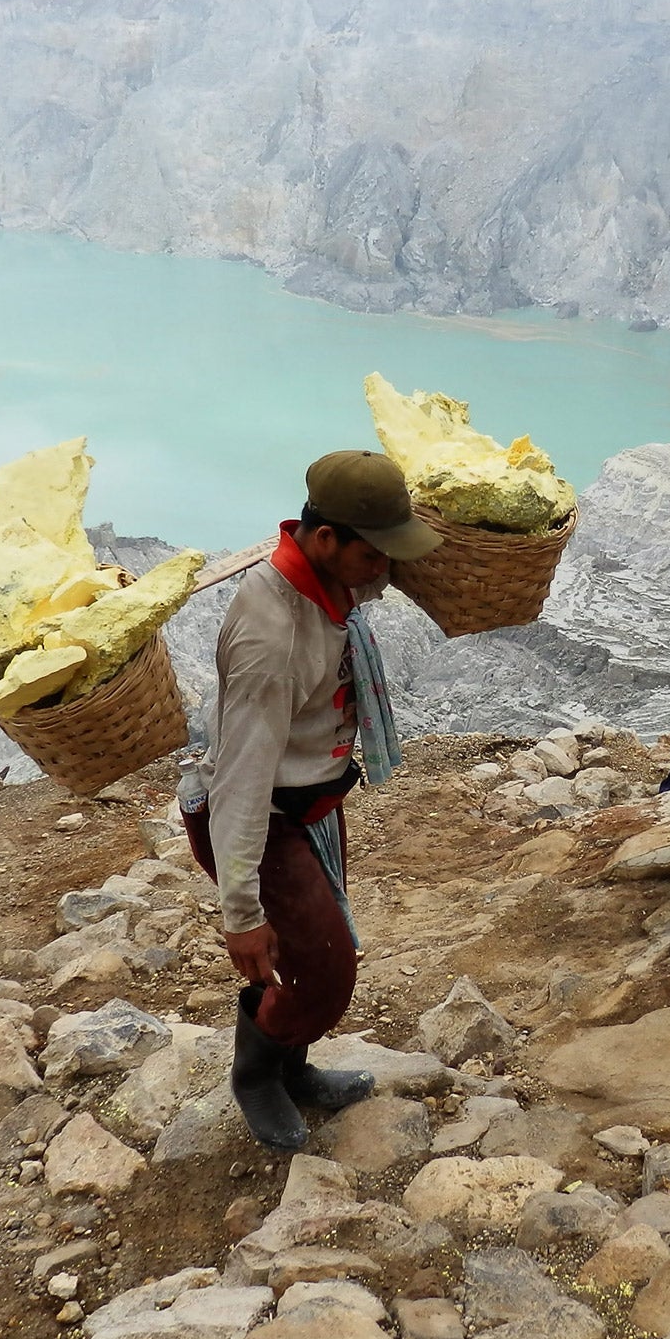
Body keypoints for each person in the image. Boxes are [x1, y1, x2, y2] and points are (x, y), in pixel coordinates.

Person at [196, 451, 441, 1149]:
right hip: (264, 818)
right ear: (325, 539)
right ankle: (257, 1075)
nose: (385, 573)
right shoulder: (270, 636)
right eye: (375, 556)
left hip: (310, 807)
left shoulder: (330, 590)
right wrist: (241, 913)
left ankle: (294, 1070)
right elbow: (239, 780)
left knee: (312, 957)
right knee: (327, 976)